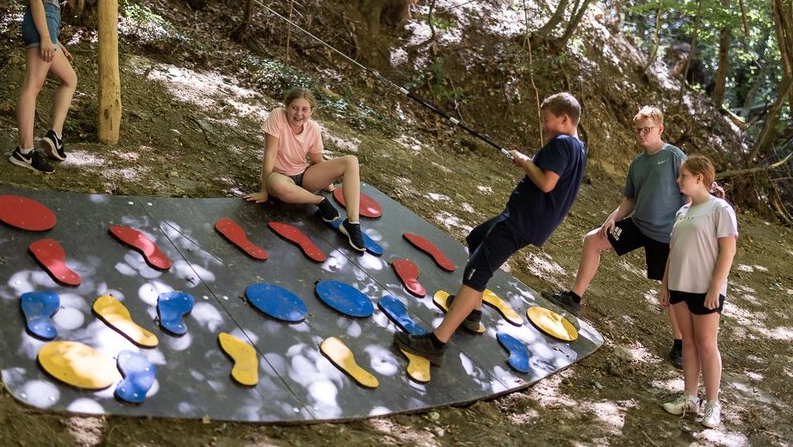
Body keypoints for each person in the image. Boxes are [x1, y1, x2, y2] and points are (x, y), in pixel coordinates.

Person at [394, 92, 587, 365]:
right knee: (477, 238)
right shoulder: (578, 147)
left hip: (520, 221)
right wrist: (529, 162)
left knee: (476, 272)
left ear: (565, 119)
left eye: (547, 119)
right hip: (525, 218)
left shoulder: (562, 143)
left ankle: (436, 343)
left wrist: (525, 162)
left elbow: (547, 183)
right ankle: (471, 314)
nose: (544, 125)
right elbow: (550, 176)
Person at [543, 106, 688, 368]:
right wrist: (613, 216)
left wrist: (686, 228)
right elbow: (630, 198)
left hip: (667, 235)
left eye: (647, 129)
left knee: (672, 289)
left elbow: (689, 193)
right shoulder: (638, 164)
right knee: (593, 240)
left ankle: (680, 344)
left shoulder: (674, 156)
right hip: (638, 225)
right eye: (638, 130)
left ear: (660, 129)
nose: (642, 134)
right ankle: (573, 298)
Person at [660, 156, 738, 429]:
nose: (679, 180)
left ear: (699, 178)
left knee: (706, 344)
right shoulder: (683, 211)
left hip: (705, 289)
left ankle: (713, 403)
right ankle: (690, 397)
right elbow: (673, 252)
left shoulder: (720, 209)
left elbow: (728, 251)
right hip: (679, 287)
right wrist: (665, 284)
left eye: (683, 175)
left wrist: (715, 287)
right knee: (688, 343)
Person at [244, 88, 366, 251]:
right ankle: (319, 201)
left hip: (304, 176)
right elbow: (270, 154)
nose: (299, 114)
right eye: (294, 108)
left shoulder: (313, 129)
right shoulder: (277, 116)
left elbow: (316, 160)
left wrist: (327, 181)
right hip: (281, 177)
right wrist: (264, 191)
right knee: (276, 184)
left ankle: (353, 224)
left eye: (304, 109)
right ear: (287, 106)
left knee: (351, 161)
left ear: (311, 111)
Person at [9, 0, 84, 174]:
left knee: (70, 79)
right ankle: (24, 151)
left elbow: (46, 6)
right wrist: (44, 37)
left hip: (47, 28)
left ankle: (55, 135)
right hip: (40, 28)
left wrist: (56, 41)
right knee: (32, 86)